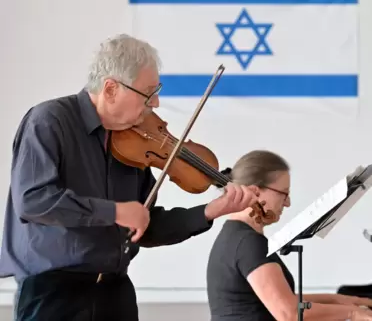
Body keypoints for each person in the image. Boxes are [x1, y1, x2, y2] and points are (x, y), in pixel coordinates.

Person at [0, 34, 260, 321]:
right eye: (148, 93)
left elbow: (144, 224)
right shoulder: (49, 121)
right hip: (52, 294)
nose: (156, 103)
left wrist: (212, 210)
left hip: (115, 291)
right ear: (111, 89)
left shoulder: (133, 144)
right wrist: (115, 211)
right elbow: (34, 201)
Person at [206, 150, 372, 321]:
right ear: (256, 192)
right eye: (284, 193)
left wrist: (338, 300)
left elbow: (283, 300)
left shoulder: (236, 235)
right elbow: (288, 314)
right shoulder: (248, 243)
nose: (287, 203)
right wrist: (351, 313)